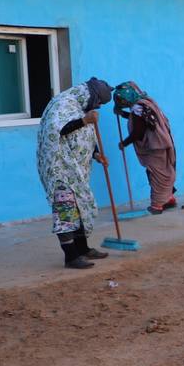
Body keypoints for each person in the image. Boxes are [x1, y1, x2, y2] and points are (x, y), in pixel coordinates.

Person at [36, 78, 113, 269]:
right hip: (59, 168)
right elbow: (57, 131)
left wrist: (96, 154)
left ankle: (83, 249)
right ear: (91, 96)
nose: (99, 106)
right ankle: (70, 257)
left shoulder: (79, 108)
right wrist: (84, 120)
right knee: (66, 210)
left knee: (79, 208)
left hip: (76, 170)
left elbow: (82, 136)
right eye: (99, 102)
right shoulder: (62, 104)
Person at [113, 81, 177, 215]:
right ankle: (169, 198)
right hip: (162, 142)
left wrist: (124, 143)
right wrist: (122, 113)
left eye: (122, 101)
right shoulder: (145, 103)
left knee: (157, 174)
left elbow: (138, 132)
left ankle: (157, 205)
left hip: (154, 146)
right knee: (164, 171)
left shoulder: (138, 108)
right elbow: (142, 120)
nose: (122, 103)